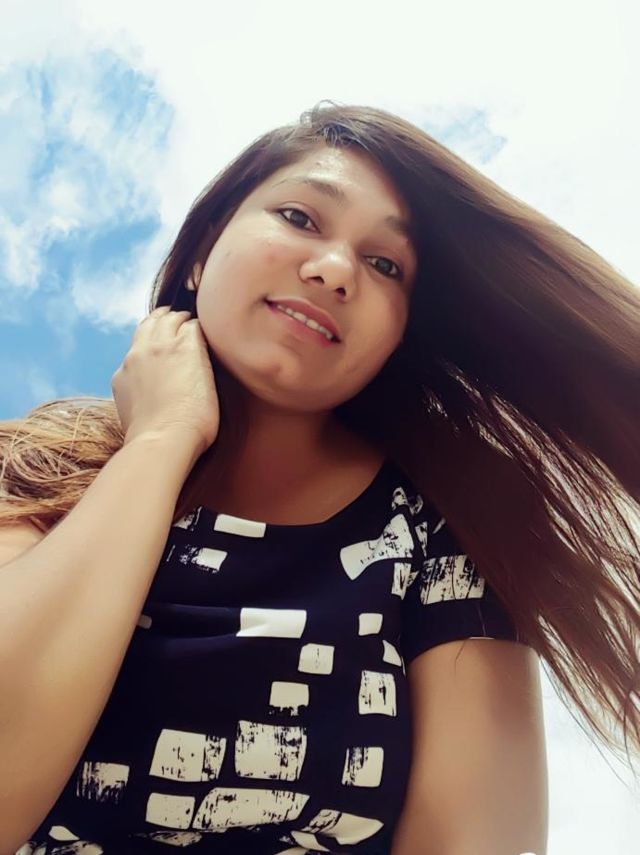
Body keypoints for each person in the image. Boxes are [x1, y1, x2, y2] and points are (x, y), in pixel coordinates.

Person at [0, 101, 638, 855]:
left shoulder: (441, 528)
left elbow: (473, 840)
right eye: (300, 217)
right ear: (202, 251)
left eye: (385, 265)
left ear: (400, 333)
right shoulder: (40, 463)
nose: (334, 269)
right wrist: (162, 438)